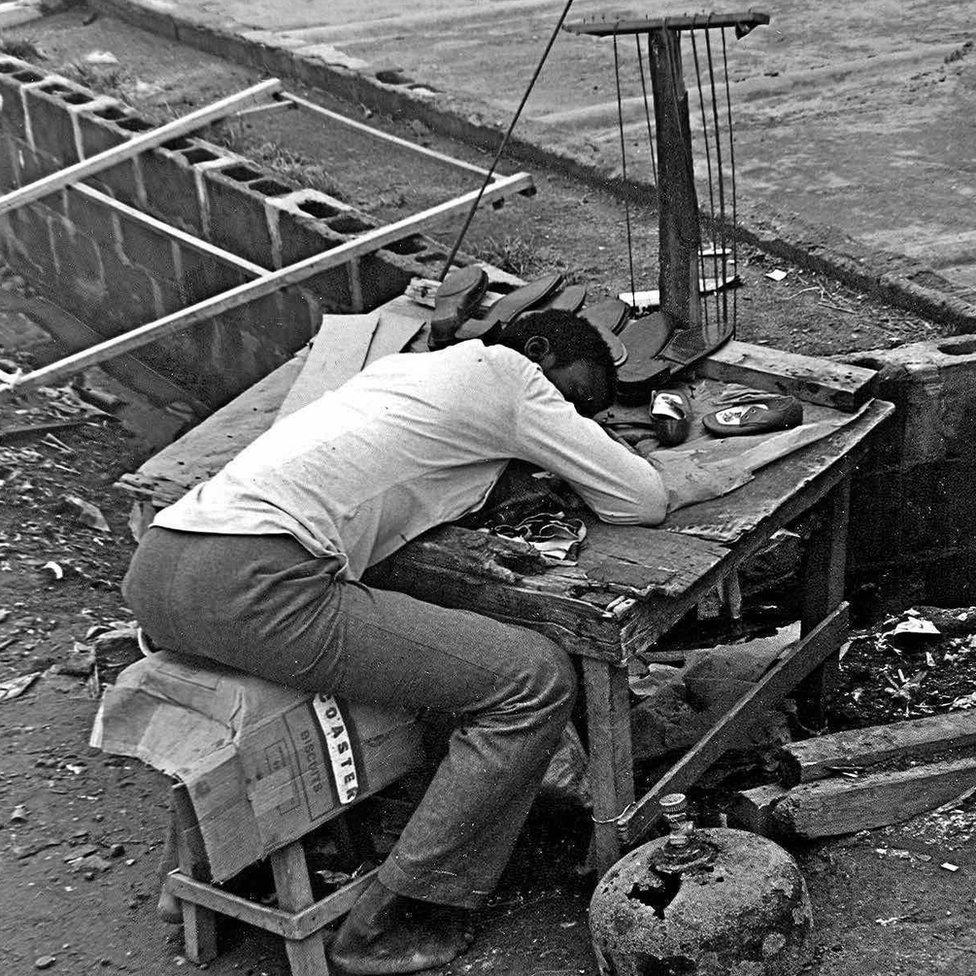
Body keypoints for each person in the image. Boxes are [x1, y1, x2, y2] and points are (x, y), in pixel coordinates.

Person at [122, 308, 670, 975]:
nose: (575, 415)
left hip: (160, 566)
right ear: (536, 351)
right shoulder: (507, 376)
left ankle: (196, 885)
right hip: (255, 579)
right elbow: (642, 498)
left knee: (449, 655)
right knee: (533, 679)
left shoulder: (406, 373)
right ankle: (400, 915)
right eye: (577, 397)